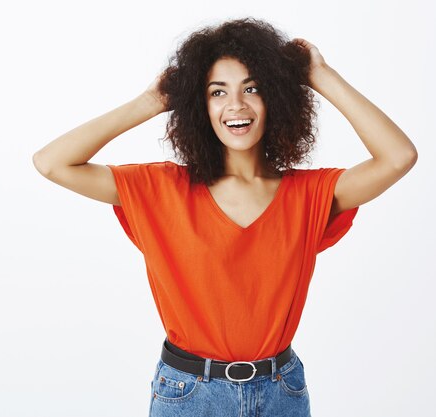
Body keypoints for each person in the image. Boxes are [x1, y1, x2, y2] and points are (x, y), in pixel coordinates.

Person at [32, 17, 417, 417]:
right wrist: (150, 102)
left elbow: (399, 156)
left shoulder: (311, 194)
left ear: (277, 99)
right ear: (200, 105)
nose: (236, 105)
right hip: (189, 394)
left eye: (253, 88)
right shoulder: (162, 188)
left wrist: (321, 75)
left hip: (281, 392)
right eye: (218, 92)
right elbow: (52, 162)